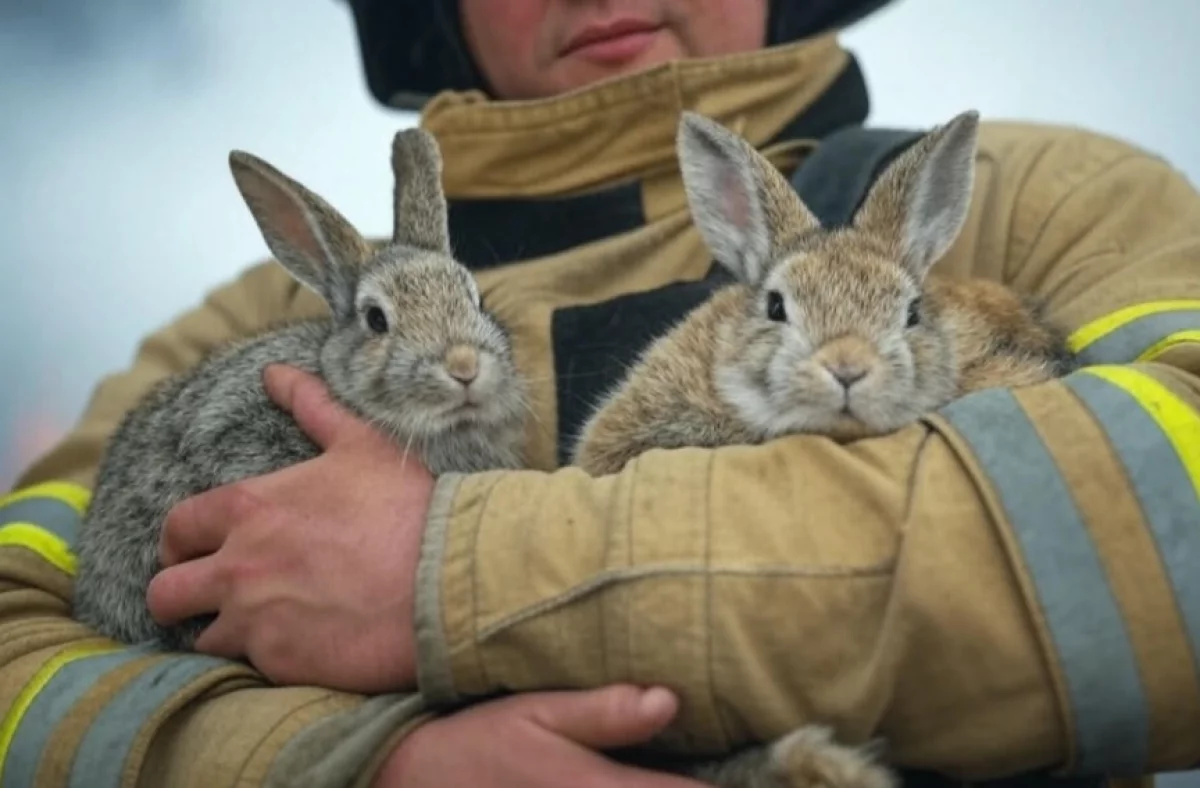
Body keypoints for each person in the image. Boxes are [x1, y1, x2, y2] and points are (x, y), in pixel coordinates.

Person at [3, 0, 1199, 786]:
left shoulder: (1036, 191)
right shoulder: (257, 329)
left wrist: (455, 570)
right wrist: (360, 762)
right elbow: (21, 646)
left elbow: (1173, 530)